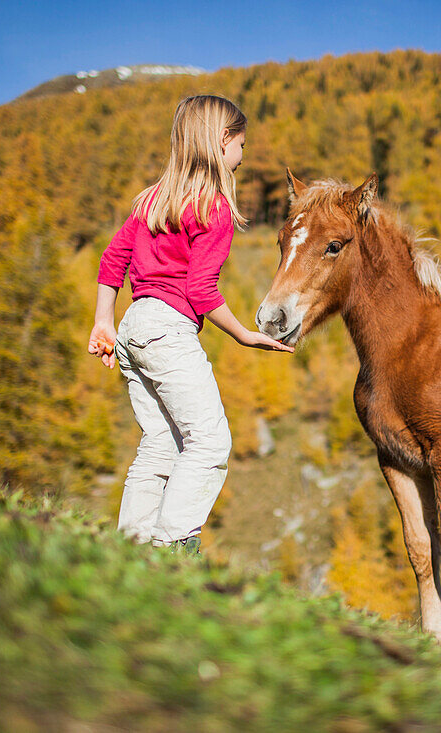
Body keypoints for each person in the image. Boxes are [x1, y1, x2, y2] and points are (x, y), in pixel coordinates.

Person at [88, 94, 292, 554]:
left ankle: (130, 552)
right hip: (167, 329)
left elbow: (112, 258)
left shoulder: (153, 199)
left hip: (133, 326)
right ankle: (172, 550)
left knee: (160, 442)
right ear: (223, 142)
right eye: (242, 144)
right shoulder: (214, 207)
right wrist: (245, 336)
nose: (243, 155)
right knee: (210, 442)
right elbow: (201, 291)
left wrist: (104, 321)